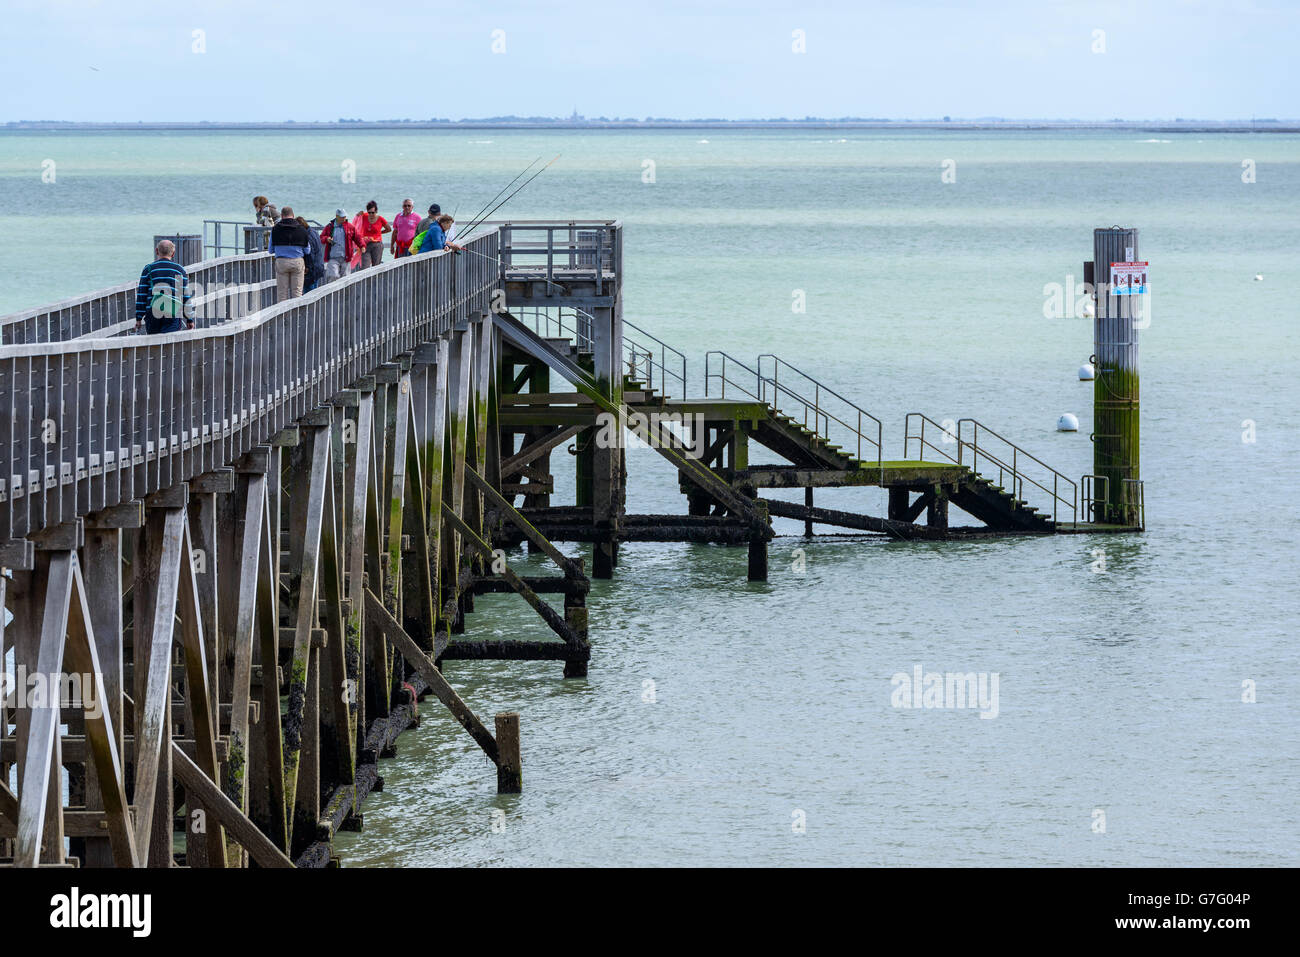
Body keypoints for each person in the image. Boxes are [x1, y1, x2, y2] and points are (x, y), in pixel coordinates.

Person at [134, 239, 194, 333]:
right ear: (173, 253)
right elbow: (185, 296)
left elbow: (142, 295)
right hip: (172, 312)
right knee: (171, 343)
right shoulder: (179, 270)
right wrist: (189, 319)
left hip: (153, 313)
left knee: (154, 343)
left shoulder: (148, 269)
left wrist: (139, 318)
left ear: (157, 251)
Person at [269, 206, 311, 300]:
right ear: (293, 215)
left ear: (282, 216)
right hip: (297, 262)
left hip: (281, 262)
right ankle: (297, 314)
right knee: (297, 293)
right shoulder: (301, 229)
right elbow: (307, 250)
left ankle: (283, 314)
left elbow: (270, 250)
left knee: (282, 293)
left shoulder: (275, 229)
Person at [320, 208, 363, 282]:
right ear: (337, 216)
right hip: (333, 257)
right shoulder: (329, 227)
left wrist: (362, 246)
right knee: (333, 276)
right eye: (342, 217)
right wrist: (327, 239)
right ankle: (333, 293)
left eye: (345, 217)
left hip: (346, 258)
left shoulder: (350, 227)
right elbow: (321, 237)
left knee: (345, 279)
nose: (344, 218)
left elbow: (357, 237)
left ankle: (345, 294)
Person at [355, 200, 390, 269]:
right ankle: (365, 280)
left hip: (377, 245)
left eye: (373, 213)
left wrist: (380, 232)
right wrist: (357, 214)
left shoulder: (380, 219)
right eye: (369, 212)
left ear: (376, 211)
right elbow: (356, 223)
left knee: (376, 267)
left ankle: (375, 280)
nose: (371, 214)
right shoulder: (364, 216)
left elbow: (389, 229)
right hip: (365, 244)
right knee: (365, 267)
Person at [298, 216, 325, 292]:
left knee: (308, 293)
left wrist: (308, 267)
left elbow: (310, 254)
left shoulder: (307, 236)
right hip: (318, 266)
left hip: (312, 269)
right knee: (314, 291)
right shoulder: (314, 232)